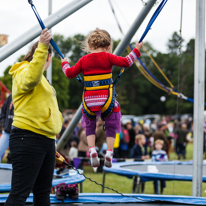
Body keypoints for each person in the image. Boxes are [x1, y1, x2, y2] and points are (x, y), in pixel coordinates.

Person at [61, 28, 143, 168]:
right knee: (112, 123)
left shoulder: (83, 60)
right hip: (107, 100)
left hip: (89, 101)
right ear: (108, 47)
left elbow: (69, 73)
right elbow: (127, 62)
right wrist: (136, 49)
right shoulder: (108, 57)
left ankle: (92, 149)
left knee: (89, 124)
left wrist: (64, 63)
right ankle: (109, 152)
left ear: (90, 46)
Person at [5, 29, 63, 206]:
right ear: (47, 57)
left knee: (43, 193)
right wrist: (43, 47)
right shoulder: (21, 70)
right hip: (27, 137)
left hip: (45, 140)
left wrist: (51, 142)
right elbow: (31, 78)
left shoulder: (44, 81)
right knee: (19, 194)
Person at [0, 93, 14, 161]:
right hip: (7, 132)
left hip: (20, 134)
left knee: (18, 157)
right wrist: (4, 124)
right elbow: (3, 111)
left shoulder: (26, 95)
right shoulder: (11, 96)